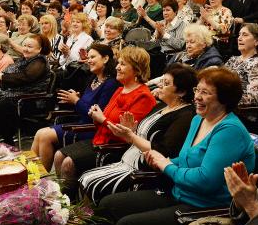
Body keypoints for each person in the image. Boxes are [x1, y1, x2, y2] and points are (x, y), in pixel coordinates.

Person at [92, 67, 255, 225]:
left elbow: (205, 180)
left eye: (205, 93)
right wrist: (161, 160)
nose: (197, 97)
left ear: (224, 99)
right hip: (179, 193)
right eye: (197, 90)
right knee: (108, 205)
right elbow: (185, 159)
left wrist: (166, 165)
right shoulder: (199, 119)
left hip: (205, 208)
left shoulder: (229, 130)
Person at [77, 64, 197, 204]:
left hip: (142, 171)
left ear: (181, 92)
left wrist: (131, 136)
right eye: (162, 81)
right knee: (84, 178)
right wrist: (130, 131)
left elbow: (163, 151)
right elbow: (139, 137)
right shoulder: (161, 106)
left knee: (91, 183)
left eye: (166, 83)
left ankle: (89, 223)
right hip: (127, 159)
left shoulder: (185, 116)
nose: (160, 85)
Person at [54, 46, 156, 194]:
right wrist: (96, 115)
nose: (117, 67)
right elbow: (104, 117)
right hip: (100, 140)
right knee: (59, 155)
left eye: (122, 64)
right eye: (118, 63)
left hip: (115, 148)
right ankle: (62, 200)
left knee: (68, 163)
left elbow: (126, 134)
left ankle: (71, 206)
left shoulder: (143, 96)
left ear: (137, 69)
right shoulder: (120, 89)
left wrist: (102, 119)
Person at [31, 43, 120, 171]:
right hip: (80, 123)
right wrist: (74, 99)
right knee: (39, 133)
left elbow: (95, 113)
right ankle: (30, 176)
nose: (89, 60)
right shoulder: (93, 79)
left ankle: (41, 179)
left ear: (105, 59)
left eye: (93, 57)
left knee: (45, 135)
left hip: (90, 129)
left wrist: (76, 101)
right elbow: (84, 104)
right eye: (88, 57)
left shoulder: (111, 84)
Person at [224, 23, 258, 107]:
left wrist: (223, 100)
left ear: (256, 41)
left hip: (239, 112)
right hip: (222, 106)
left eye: (245, 35)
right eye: (239, 35)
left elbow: (253, 98)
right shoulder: (233, 59)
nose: (239, 38)